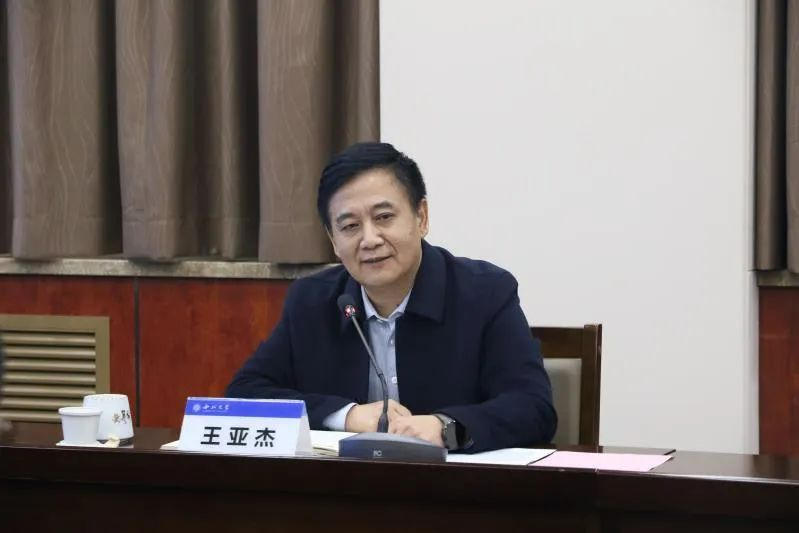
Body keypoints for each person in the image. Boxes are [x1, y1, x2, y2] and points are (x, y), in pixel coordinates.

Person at [226, 142, 556, 453]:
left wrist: (445, 427)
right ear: (333, 240)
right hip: (345, 488)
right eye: (350, 226)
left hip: (453, 487)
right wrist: (346, 415)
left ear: (421, 217)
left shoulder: (485, 293)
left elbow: (533, 407)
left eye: (384, 217)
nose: (369, 239)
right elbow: (245, 393)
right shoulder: (312, 300)